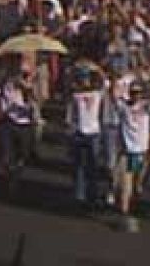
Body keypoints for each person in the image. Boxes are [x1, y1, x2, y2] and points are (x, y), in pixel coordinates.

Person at [115, 79, 150, 232]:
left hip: (141, 152)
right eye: (133, 93)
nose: (135, 96)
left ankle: (134, 206)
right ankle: (124, 213)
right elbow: (113, 94)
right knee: (126, 183)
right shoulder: (123, 107)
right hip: (127, 151)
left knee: (137, 184)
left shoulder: (145, 107)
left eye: (138, 93)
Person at [65, 60, 105, 208]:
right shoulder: (75, 94)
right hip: (78, 131)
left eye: (86, 77)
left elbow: (103, 79)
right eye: (82, 78)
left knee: (93, 166)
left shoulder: (97, 93)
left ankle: (92, 194)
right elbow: (71, 113)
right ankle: (79, 195)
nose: (84, 80)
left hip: (93, 132)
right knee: (78, 165)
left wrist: (96, 67)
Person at [0, 66, 38, 193]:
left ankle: (16, 172)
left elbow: (34, 103)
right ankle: (10, 174)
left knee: (23, 154)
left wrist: (27, 90)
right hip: (7, 121)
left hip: (24, 123)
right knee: (5, 156)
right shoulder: (4, 83)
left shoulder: (28, 87)